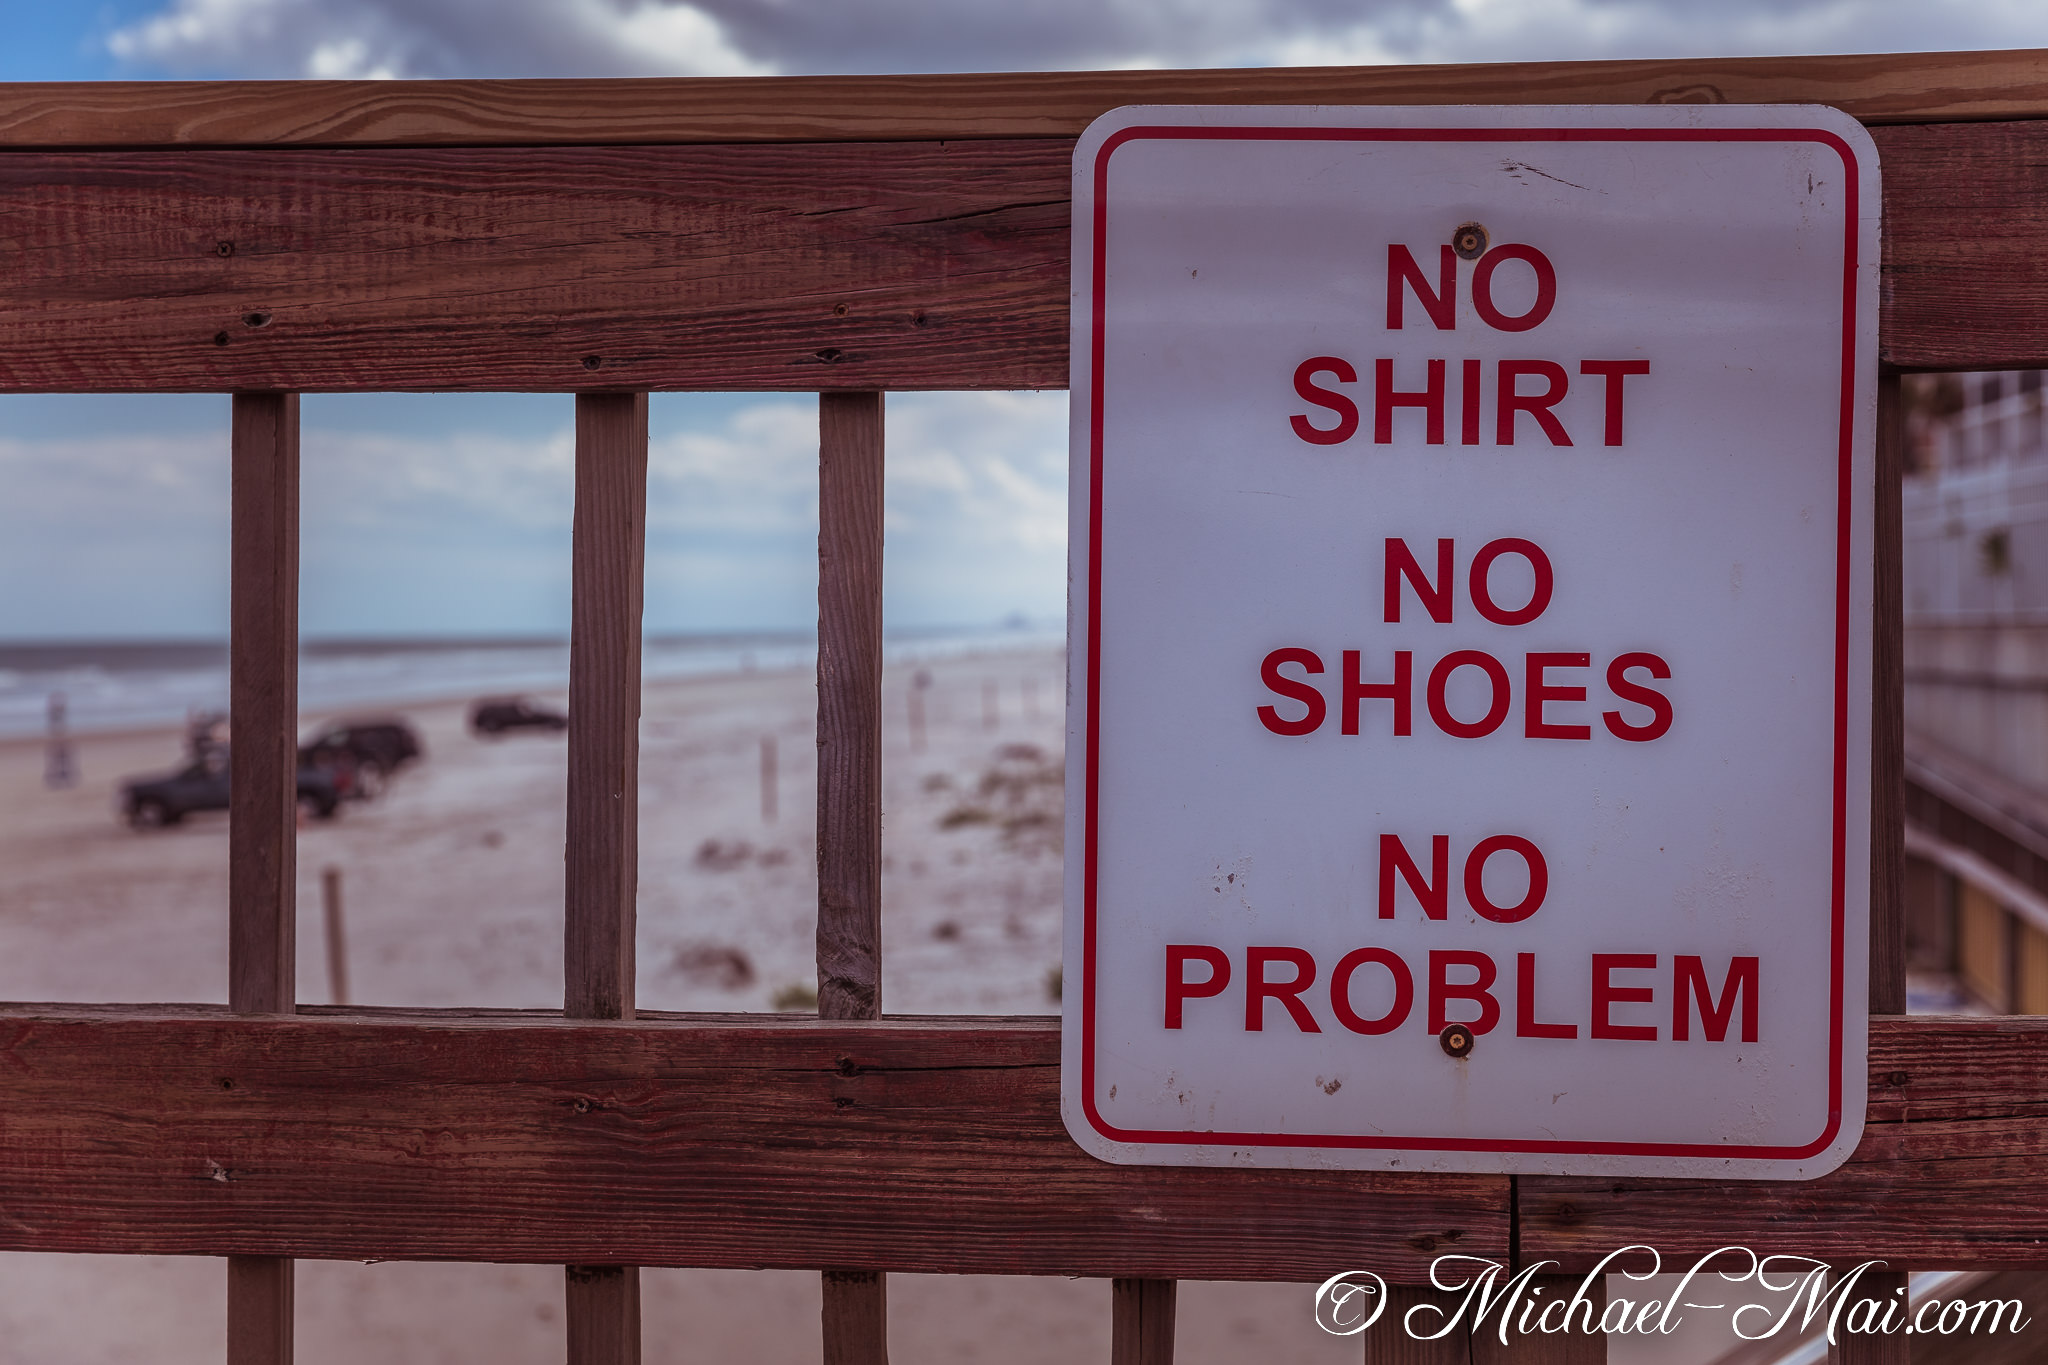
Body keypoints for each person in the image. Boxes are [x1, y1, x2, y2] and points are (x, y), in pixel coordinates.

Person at [43, 691, 75, 789]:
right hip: (58, 739)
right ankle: (57, 778)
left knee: (61, 760)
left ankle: (61, 778)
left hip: (59, 739)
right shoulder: (54, 715)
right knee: (58, 760)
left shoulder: (56, 715)